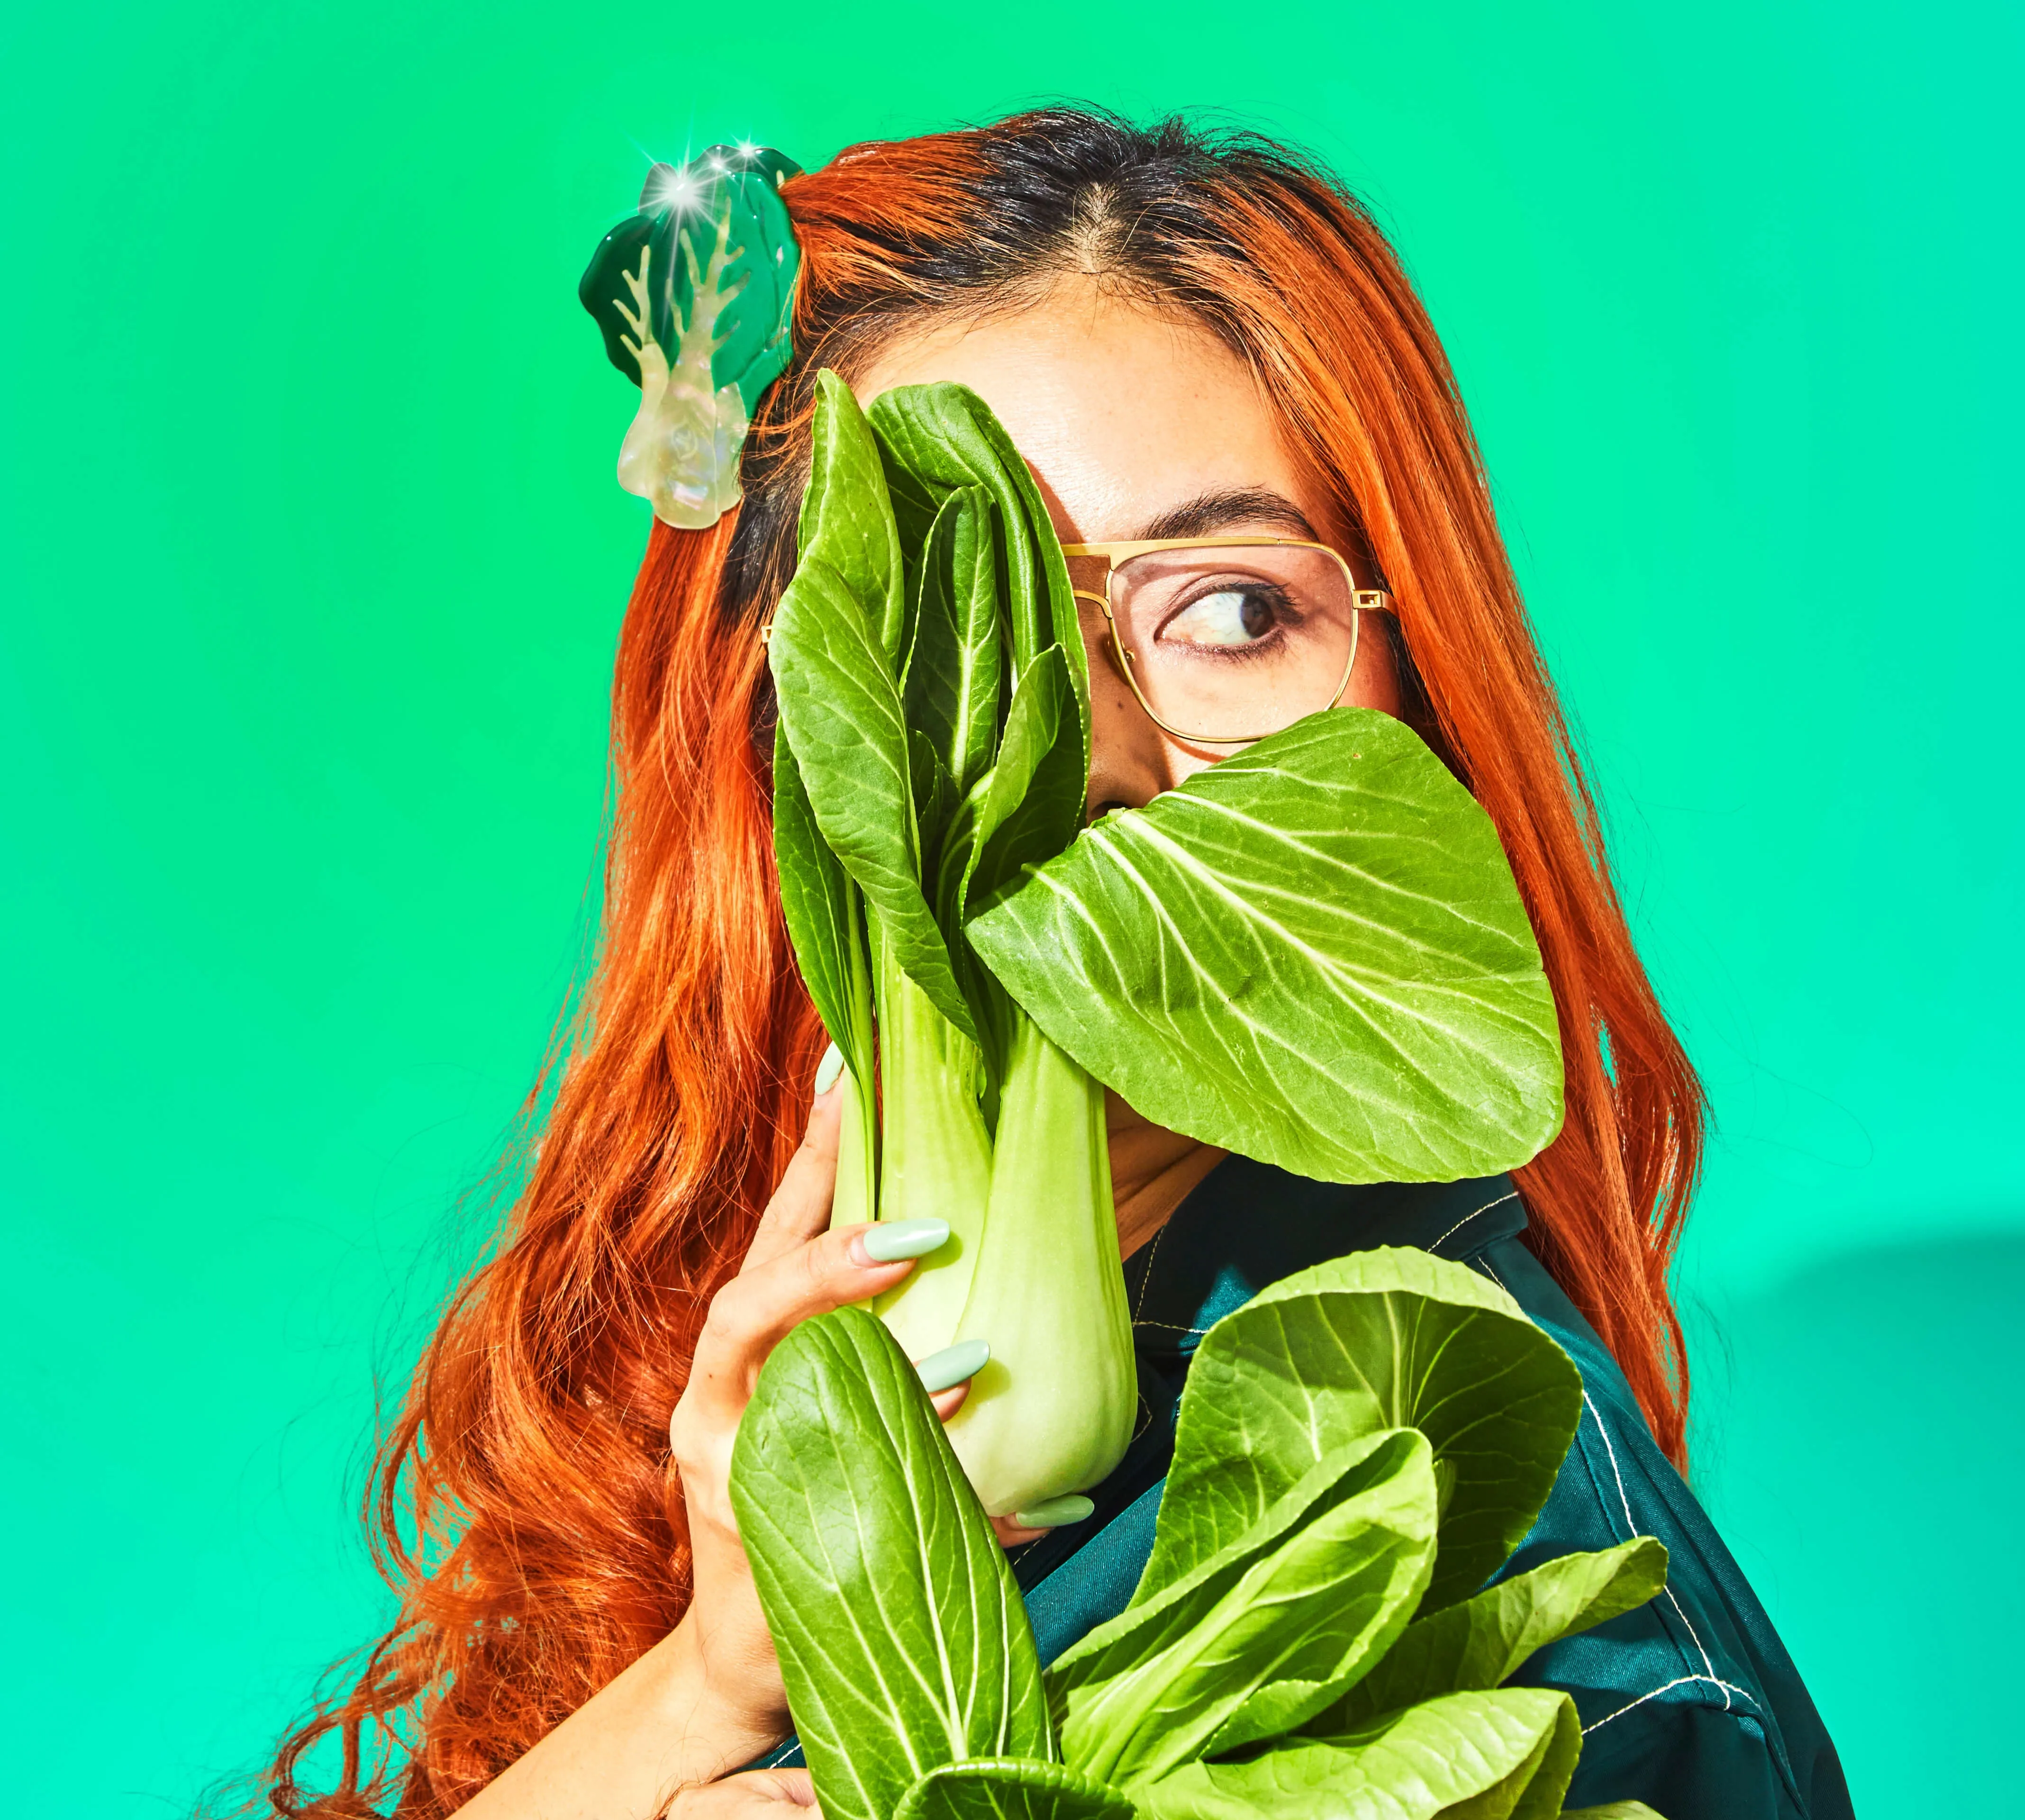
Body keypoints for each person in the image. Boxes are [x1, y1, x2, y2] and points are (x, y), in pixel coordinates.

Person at [254, 109, 1851, 1820]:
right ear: (773, 735)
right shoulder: (733, 1394)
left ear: (1414, 696)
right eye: (954, 616)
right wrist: (713, 1684)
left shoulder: (1541, 1636)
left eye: (1234, 608)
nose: (1078, 754)